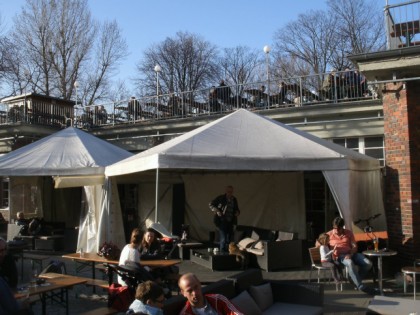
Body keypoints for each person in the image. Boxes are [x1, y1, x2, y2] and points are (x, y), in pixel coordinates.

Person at [326, 217, 374, 294]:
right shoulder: (329, 234)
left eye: (338, 228)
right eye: (335, 228)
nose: (336, 230)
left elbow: (354, 246)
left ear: (343, 227)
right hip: (339, 256)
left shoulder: (349, 233)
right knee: (350, 262)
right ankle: (360, 285)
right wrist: (321, 245)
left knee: (368, 263)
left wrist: (350, 253)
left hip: (351, 253)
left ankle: (353, 279)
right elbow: (318, 242)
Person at [178, 273, 243, 315]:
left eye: (196, 287)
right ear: (183, 293)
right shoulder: (185, 313)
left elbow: (236, 313)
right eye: (190, 290)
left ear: (200, 285)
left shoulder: (218, 299)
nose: (194, 293)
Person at [209, 185, 240, 253]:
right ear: (226, 191)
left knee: (229, 240)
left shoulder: (234, 199)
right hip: (222, 221)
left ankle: (228, 255)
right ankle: (222, 254)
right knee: (223, 239)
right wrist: (217, 211)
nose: (230, 193)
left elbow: (237, 209)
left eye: (231, 192)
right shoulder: (221, 198)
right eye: (228, 192)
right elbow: (211, 204)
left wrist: (237, 212)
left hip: (231, 222)